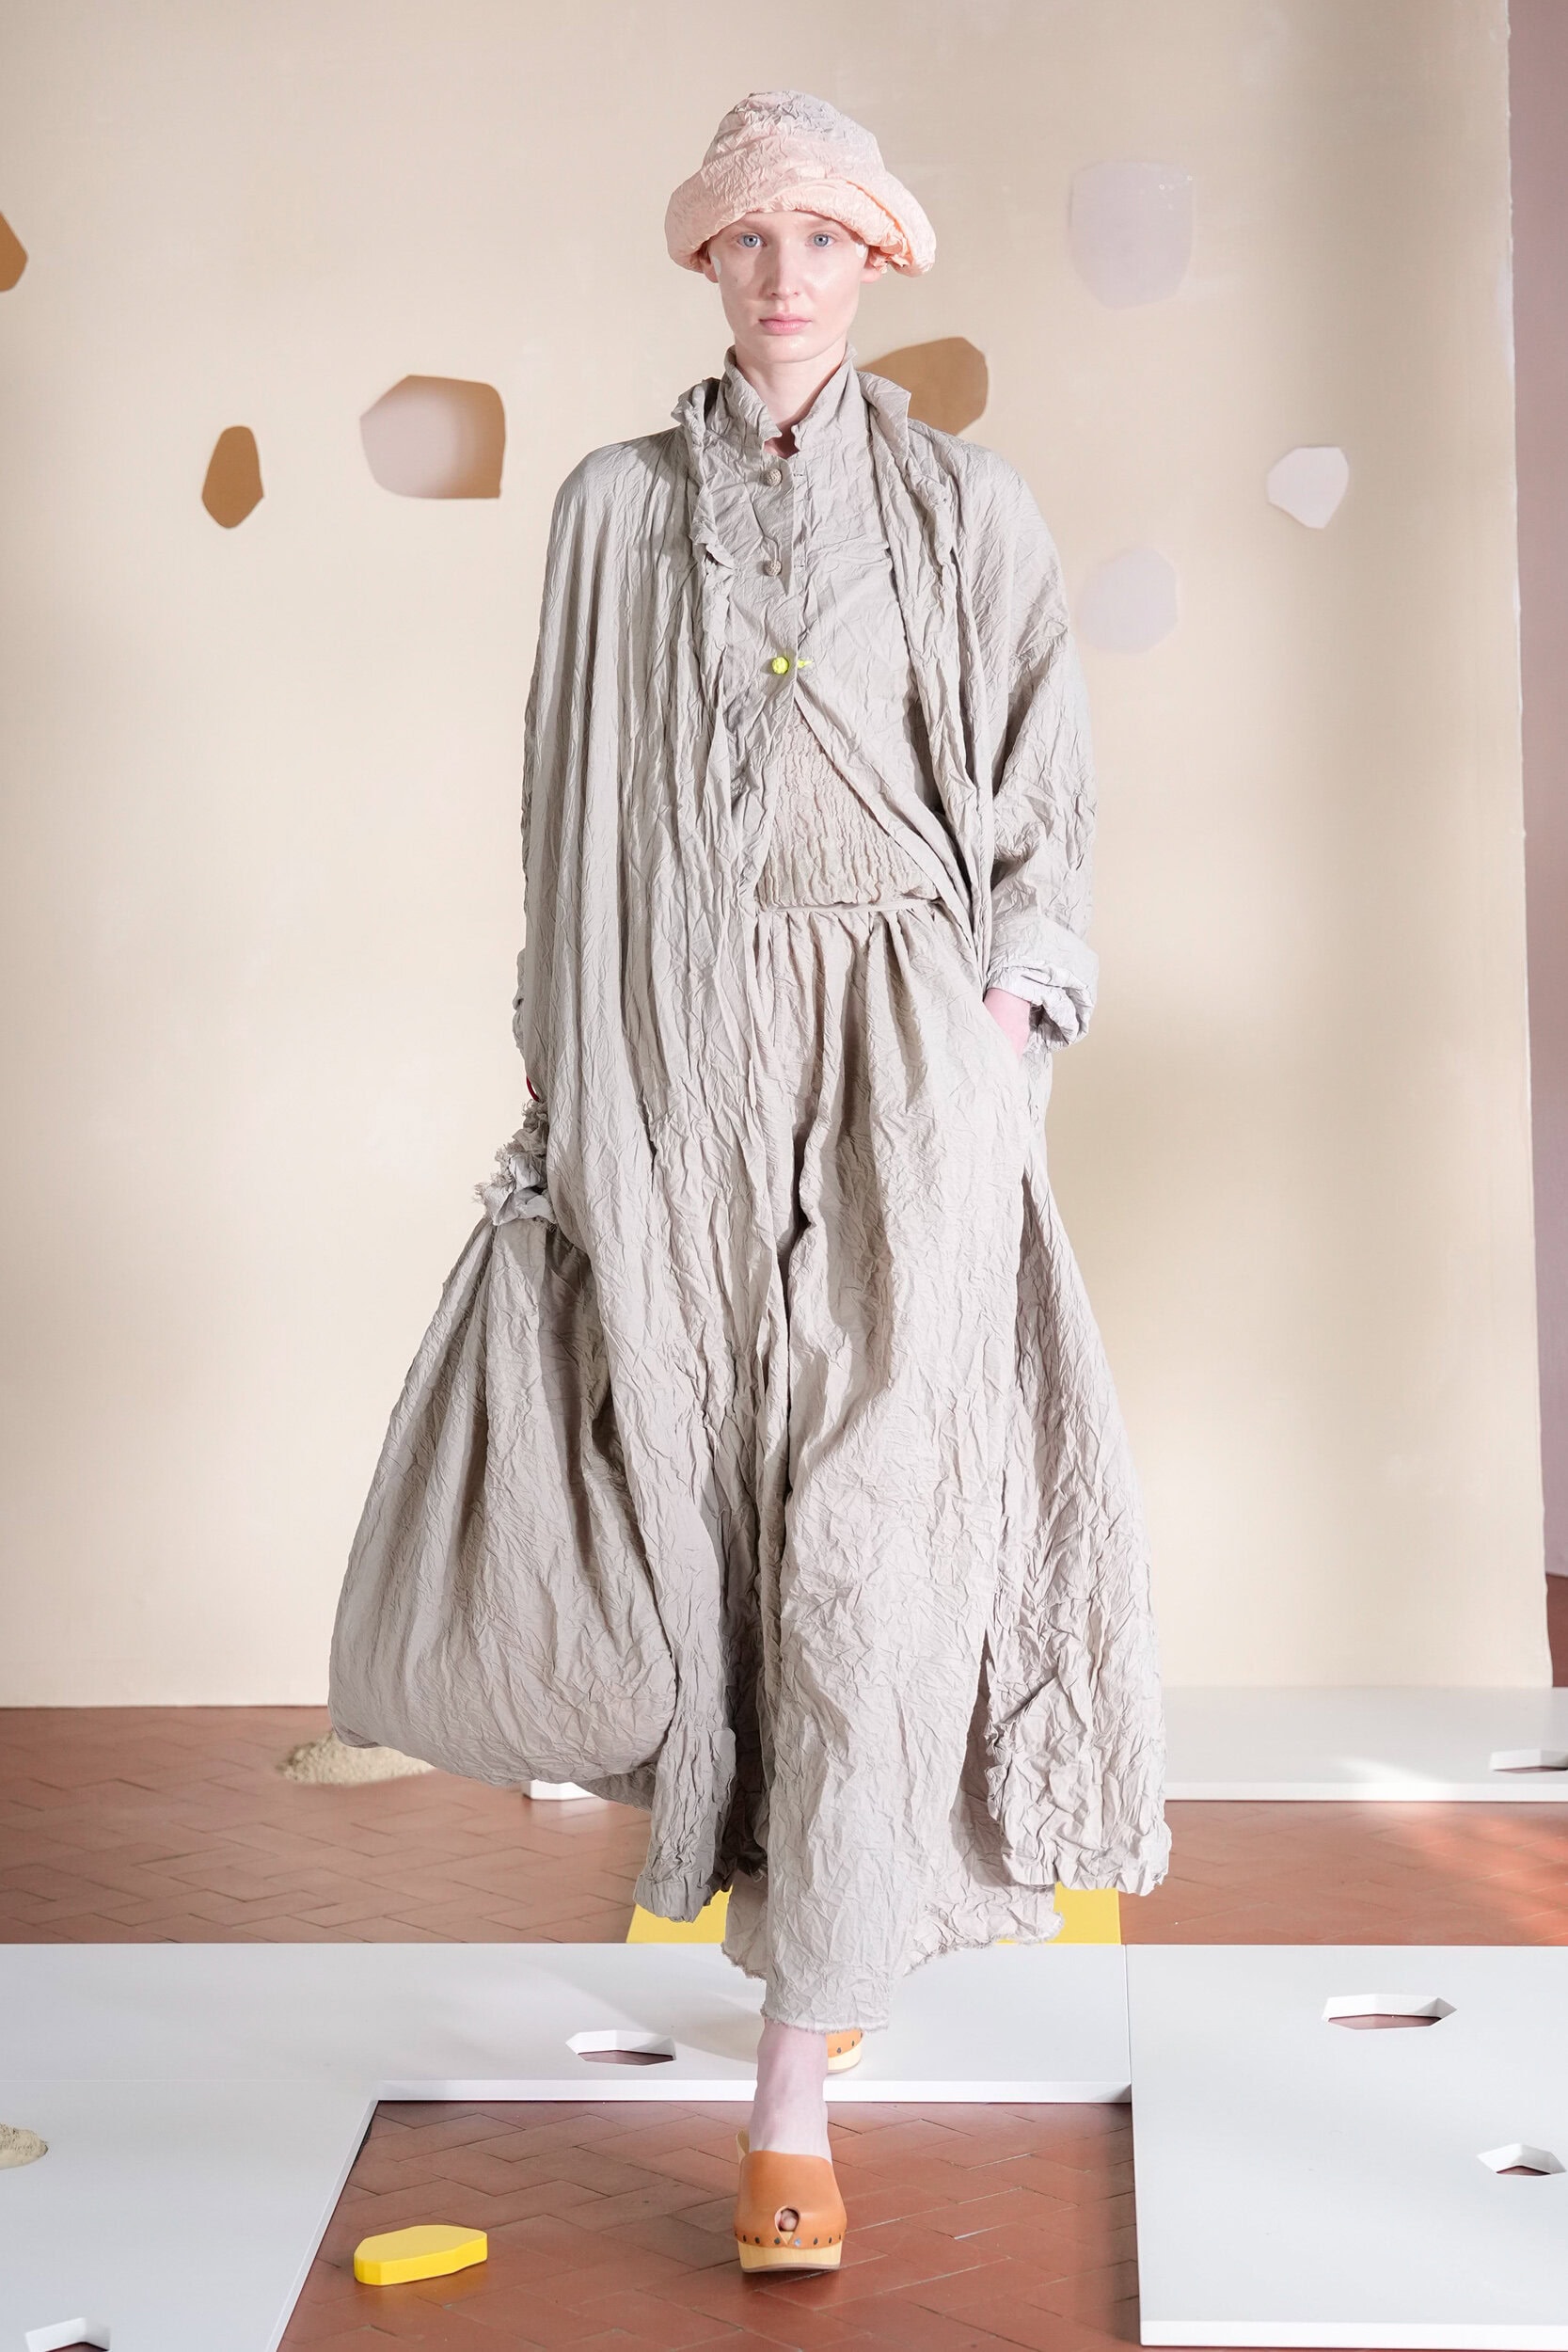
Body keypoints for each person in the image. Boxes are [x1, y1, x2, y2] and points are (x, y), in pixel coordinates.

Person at [328, 87, 1168, 2280]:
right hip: (671, 1051)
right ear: (706, 262)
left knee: (880, 1519)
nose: (786, 272)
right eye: (749, 236)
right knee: (713, 1508)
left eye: (824, 235)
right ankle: (811, 1911)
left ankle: (790, 2090)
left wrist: (1002, 1033)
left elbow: (1042, 795)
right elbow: (563, 799)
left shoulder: (971, 507)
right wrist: (558, 1070)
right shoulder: (613, 510)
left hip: (908, 1050)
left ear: (877, 261)